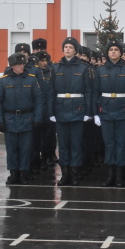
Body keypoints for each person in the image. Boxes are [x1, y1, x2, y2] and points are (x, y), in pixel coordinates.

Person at [93, 41, 125, 187]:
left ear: (120, 53)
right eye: (111, 50)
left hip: (123, 111)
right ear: (107, 53)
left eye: (116, 50)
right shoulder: (100, 71)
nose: (113, 52)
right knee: (109, 144)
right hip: (106, 111)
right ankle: (110, 176)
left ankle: (119, 176)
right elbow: (95, 93)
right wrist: (95, 113)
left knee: (120, 144)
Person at [48, 37, 92, 186]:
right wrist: (51, 112)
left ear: (75, 50)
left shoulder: (83, 68)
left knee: (76, 143)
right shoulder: (55, 68)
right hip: (60, 109)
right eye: (65, 47)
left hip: (77, 109)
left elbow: (88, 91)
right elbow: (51, 92)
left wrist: (87, 111)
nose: (67, 49)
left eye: (70, 47)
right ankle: (64, 173)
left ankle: (74, 173)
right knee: (63, 144)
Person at [0, 53, 44, 185]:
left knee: (25, 148)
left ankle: (23, 173)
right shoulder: (4, 80)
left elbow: (38, 100)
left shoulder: (32, 79)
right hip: (10, 118)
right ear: (12, 66)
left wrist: (37, 118)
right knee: (11, 148)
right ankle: (13, 173)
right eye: (19, 64)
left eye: (23, 64)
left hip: (27, 117)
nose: (22, 66)